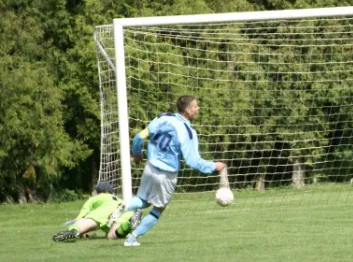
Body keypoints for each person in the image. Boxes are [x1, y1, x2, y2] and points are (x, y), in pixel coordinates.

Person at [117, 95, 226, 247]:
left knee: (143, 201)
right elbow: (193, 162)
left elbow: (138, 137)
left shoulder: (163, 118)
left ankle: (123, 207)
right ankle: (132, 238)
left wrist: (136, 152)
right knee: (159, 208)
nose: (198, 109)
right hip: (167, 174)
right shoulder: (188, 132)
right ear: (188, 110)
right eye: (195, 106)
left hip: (150, 167)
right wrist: (214, 166)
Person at [52, 182, 142, 242]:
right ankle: (128, 223)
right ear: (111, 192)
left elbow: (82, 215)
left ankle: (74, 231)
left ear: (99, 192)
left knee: (87, 221)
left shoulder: (96, 198)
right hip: (125, 210)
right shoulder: (118, 199)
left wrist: (79, 228)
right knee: (111, 235)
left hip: (105, 210)